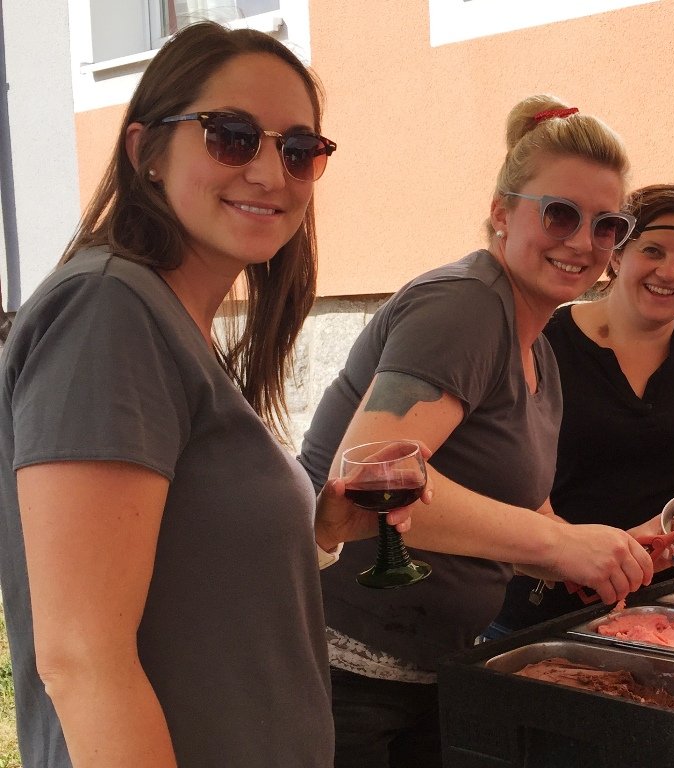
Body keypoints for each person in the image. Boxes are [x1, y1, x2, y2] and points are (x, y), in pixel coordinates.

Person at [0, 22, 407, 767]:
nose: (269, 173)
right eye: (231, 135)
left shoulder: (171, 322)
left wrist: (317, 529)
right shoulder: (107, 313)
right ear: (145, 152)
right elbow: (81, 660)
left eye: (298, 150)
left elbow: (195, 576)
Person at [297, 95, 656, 767]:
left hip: (425, 672)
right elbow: (369, 477)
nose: (583, 241)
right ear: (502, 213)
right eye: (559, 214)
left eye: (607, 225)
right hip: (342, 672)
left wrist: (597, 548)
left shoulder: (539, 349)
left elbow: (524, 517)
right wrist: (557, 542)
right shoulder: (464, 305)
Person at [490, 183, 674, 635]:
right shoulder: (542, 341)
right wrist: (569, 552)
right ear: (615, 254)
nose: (669, 272)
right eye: (653, 251)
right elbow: (510, 480)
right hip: (550, 612)